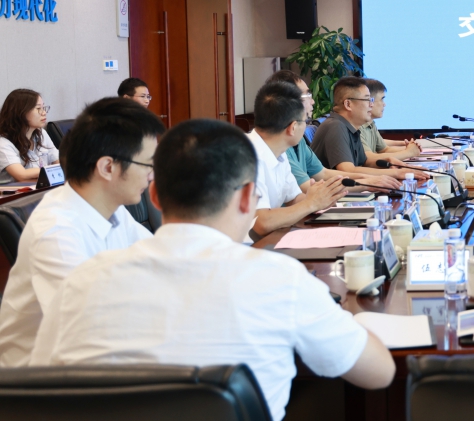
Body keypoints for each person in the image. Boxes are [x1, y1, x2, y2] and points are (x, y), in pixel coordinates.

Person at [29, 119, 395, 421]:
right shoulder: (280, 279)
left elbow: (41, 390)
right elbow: (380, 373)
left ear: (154, 196)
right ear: (248, 197)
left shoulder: (82, 281)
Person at [0, 97, 164, 366]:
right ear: (107, 167)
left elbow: (160, 259)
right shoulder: (56, 232)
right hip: (41, 380)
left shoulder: (111, 209)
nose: (152, 175)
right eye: (147, 164)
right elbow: (90, 330)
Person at [265, 71, 400, 193]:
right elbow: (309, 189)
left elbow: (323, 173)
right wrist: (368, 183)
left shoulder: (297, 139)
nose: (313, 101)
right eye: (307, 95)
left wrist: (372, 179)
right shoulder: (279, 143)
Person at [248, 81, 350, 237]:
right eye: (305, 121)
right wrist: (311, 203)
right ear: (293, 127)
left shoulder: (280, 153)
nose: (306, 127)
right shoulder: (248, 156)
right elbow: (261, 222)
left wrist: (322, 197)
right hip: (240, 246)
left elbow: (294, 198)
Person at [310, 77, 427, 181]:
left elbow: (365, 162)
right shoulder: (335, 126)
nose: (371, 105)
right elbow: (348, 170)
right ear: (348, 104)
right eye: (367, 100)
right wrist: (397, 173)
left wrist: (391, 162)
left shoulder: (351, 127)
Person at [0, 89, 59, 184]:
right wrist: (51, 170)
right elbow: (21, 175)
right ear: (21, 112)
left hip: (40, 187)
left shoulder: (41, 133)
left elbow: (59, 162)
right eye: (38, 108)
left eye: (43, 108)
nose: (44, 113)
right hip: (14, 192)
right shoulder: (3, 143)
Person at [362, 79, 422, 159]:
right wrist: (408, 152)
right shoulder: (357, 126)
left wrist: (411, 148)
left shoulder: (371, 123)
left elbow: (384, 149)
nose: (384, 104)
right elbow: (369, 158)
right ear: (369, 101)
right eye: (382, 99)